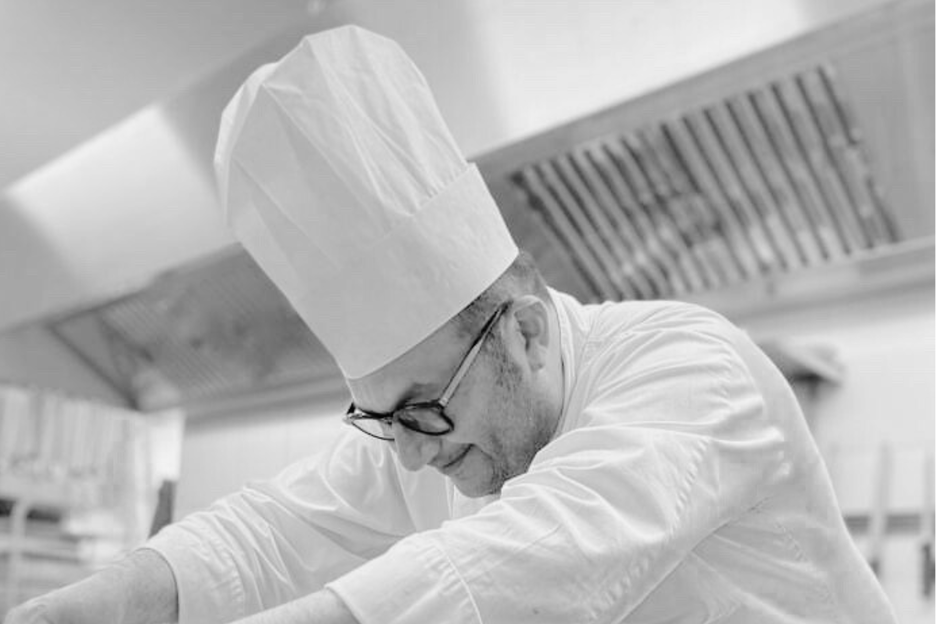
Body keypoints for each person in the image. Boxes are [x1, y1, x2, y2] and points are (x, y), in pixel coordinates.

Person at [5, 25, 896, 624]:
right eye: (380, 417)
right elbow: (274, 530)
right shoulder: (431, 429)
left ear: (529, 334)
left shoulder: (690, 368)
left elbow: (515, 564)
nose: (409, 452)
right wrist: (100, 603)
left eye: (425, 406)